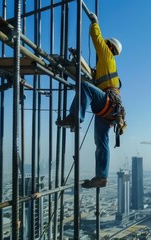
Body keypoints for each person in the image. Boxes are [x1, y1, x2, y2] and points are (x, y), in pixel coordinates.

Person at [56, 12, 123, 188]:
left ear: (109, 47)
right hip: (110, 110)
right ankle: (101, 177)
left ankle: (74, 118)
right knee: (101, 142)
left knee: (84, 86)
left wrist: (94, 22)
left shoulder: (107, 55)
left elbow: (97, 39)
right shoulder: (106, 67)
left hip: (108, 102)